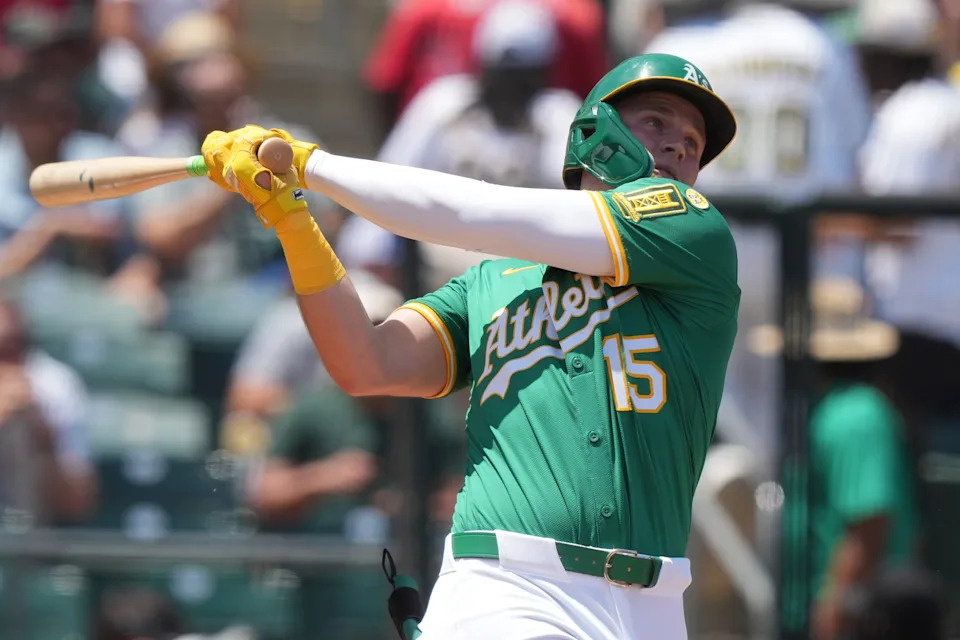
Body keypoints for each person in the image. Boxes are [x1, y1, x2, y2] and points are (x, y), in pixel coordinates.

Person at [200, 51, 739, 639]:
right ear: (593, 133)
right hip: (507, 586)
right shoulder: (493, 281)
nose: (680, 146)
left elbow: (466, 211)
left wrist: (310, 165)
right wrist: (294, 221)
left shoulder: (694, 231)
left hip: (654, 602)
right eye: (657, 121)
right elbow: (365, 363)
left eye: (693, 139)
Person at [339, 0, 582, 290]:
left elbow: (575, 198)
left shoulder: (557, 114)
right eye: (502, 72)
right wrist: (367, 251)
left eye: (521, 75)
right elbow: (394, 172)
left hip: (525, 269)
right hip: (442, 264)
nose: (509, 87)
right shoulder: (444, 104)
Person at [749, 278, 922, 640]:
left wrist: (835, 614)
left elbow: (868, 523)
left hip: (857, 622)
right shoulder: (830, 411)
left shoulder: (855, 415)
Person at [0, 295, 98, 526]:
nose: (7, 360)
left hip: (32, 542)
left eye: (15, 344)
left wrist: (43, 437)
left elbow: (78, 503)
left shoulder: (54, 383)